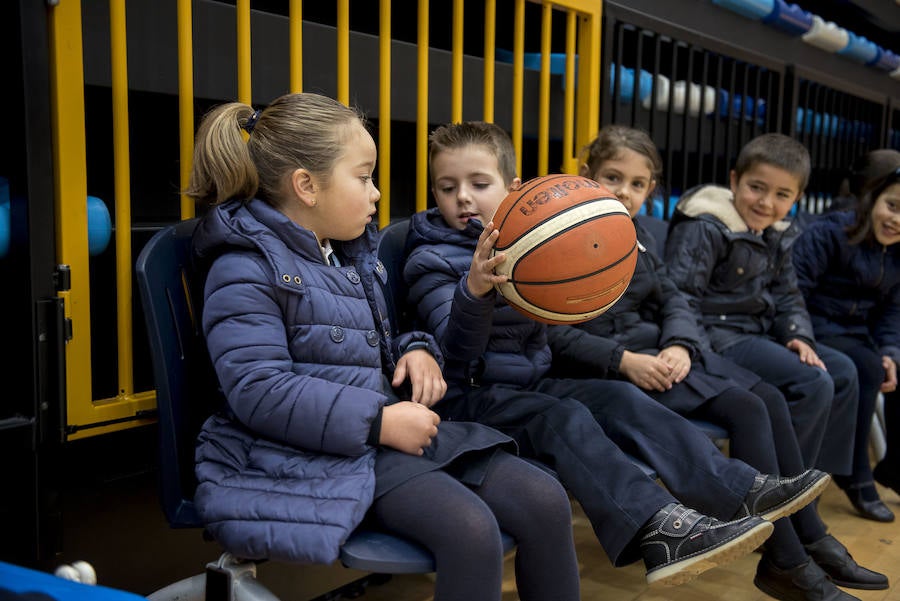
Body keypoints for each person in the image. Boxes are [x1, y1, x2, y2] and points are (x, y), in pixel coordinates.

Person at [183, 92, 584, 601]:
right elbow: (259, 390)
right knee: (470, 530)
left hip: (375, 436)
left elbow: (378, 337)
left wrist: (415, 348)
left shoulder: (348, 253)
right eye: (364, 176)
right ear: (306, 186)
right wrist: (377, 420)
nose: (376, 195)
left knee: (544, 498)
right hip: (302, 453)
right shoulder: (242, 268)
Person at [402, 120, 826, 588]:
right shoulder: (431, 257)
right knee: (561, 418)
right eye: (447, 186)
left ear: (512, 191)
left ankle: (738, 490)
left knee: (622, 400)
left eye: (479, 184)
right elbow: (456, 348)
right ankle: (658, 531)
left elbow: (600, 308)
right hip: (471, 395)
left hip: (527, 383)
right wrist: (476, 291)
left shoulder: (531, 239)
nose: (462, 197)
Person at [548, 124, 888, 599]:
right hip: (607, 368)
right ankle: (788, 558)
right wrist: (624, 360)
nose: (624, 192)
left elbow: (673, 300)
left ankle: (808, 536)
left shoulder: (638, 232)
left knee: (767, 396)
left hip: (660, 354)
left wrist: (680, 344)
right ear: (586, 175)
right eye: (612, 177)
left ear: (651, 189)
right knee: (751, 405)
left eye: (637, 183)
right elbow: (552, 334)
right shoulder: (557, 238)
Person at [663, 133, 861, 484]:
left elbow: (789, 296)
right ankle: (781, 490)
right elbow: (681, 295)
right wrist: (702, 355)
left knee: (842, 371)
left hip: (759, 332)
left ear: (797, 199)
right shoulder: (705, 225)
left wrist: (799, 335)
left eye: (782, 195)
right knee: (813, 381)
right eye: (756, 187)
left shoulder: (780, 232)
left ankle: (811, 483)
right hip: (717, 337)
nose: (766, 203)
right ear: (735, 180)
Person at [794, 156, 900, 523]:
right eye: (892, 206)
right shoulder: (829, 232)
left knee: (884, 363)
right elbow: (794, 292)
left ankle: (887, 467)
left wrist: (891, 351)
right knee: (864, 367)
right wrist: (800, 335)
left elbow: (892, 313)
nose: (896, 220)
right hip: (815, 326)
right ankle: (855, 474)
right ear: (873, 198)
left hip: (858, 334)